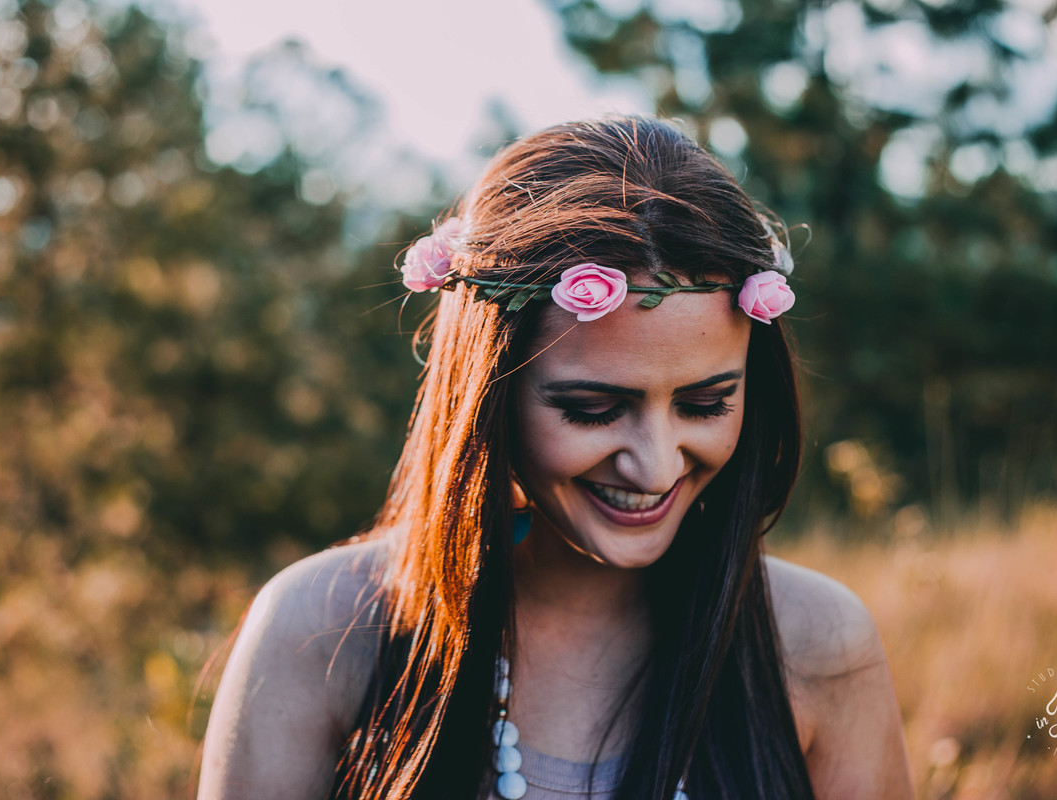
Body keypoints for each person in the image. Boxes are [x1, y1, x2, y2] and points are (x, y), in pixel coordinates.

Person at [196, 115, 913, 800]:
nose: (656, 467)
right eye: (592, 410)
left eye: (704, 404)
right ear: (488, 394)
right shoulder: (323, 630)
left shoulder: (818, 641)